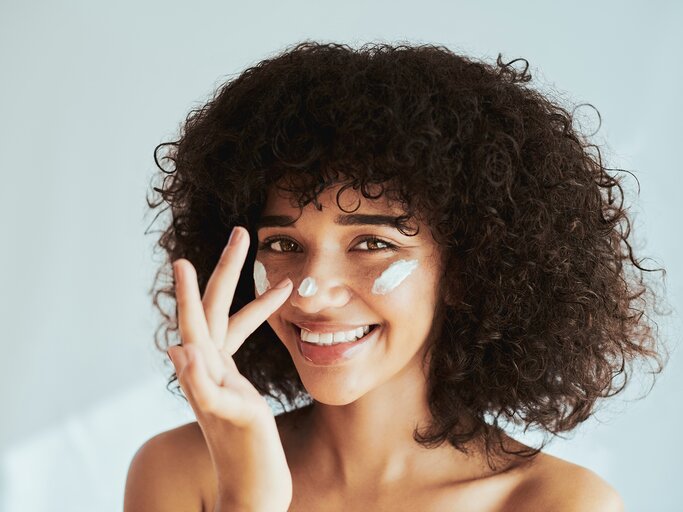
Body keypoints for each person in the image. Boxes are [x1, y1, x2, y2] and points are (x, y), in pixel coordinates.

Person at [124, 41, 666, 511]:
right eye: (284, 244)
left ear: (466, 268)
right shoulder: (182, 472)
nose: (313, 291)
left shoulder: (555, 504)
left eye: (372, 243)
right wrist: (247, 499)